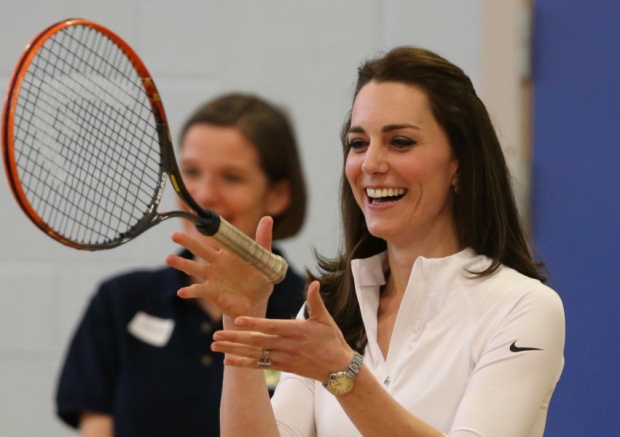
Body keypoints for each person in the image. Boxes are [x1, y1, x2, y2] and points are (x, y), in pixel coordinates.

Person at [165, 47, 566, 437]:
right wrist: (243, 320)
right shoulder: (333, 308)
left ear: (459, 164)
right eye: (358, 143)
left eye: (400, 142)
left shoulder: (523, 307)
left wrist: (343, 373)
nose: (370, 164)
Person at [55, 93, 308, 437]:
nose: (203, 195)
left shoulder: (315, 312)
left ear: (279, 194)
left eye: (231, 177)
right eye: (190, 172)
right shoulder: (121, 301)